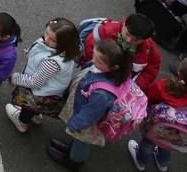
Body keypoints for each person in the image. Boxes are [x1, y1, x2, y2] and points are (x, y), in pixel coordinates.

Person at [47, 38, 134, 169]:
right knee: (78, 139)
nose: (93, 61)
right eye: (94, 55)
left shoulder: (102, 94)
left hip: (87, 124)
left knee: (82, 141)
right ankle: (71, 149)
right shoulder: (106, 70)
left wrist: (74, 124)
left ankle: (74, 161)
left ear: (113, 67)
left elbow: (89, 115)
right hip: (83, 112)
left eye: (98, 61)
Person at [130, 58, 187, 170]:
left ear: (179, 75)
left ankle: (140, 161)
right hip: (177, 134)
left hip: (156, 126)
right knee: (167, 146)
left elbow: (148, 98)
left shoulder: (164, 86)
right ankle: (163, 163)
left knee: (148, 143)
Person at [5, 18, 80, 133]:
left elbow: (34, 82)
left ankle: (21, 121)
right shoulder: (62, 52)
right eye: (46, 33)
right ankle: (35, 115)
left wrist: (15, 78)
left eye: (52, 39)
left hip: (40, 93)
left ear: (64, 43)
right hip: (48, 91)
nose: (46, 39)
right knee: (34, 107)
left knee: (29, 105)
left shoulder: (52, 62)